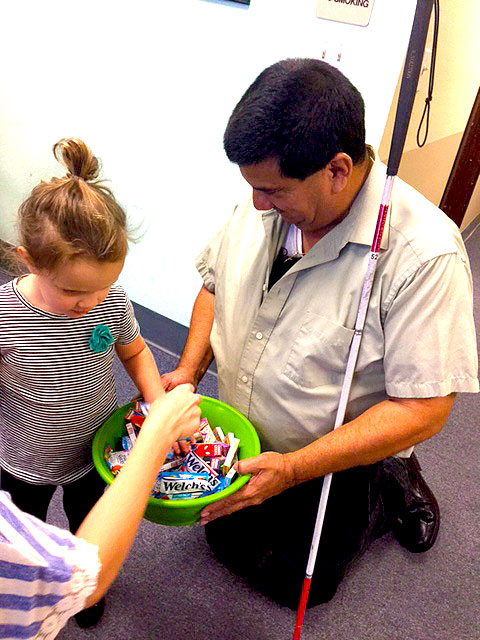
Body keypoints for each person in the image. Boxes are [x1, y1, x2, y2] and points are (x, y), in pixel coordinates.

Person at [162, 58, 479, 608]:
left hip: (326, 456)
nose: (258, 204)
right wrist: (189, 373)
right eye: (253, 188)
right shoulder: (267, 198)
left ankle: (390, 485)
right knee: (225, 540)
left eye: (274, 190)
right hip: (243, 434)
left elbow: (425, 408)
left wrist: (293, 468)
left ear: (336, 169)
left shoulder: (425, 255)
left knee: (304, 589)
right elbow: (215, 285)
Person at [0, 138, 165, 627]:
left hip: (94, 450)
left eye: (101, 288)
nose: (90, 302)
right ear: (30, 260)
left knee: (88, 529)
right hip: (22, 460)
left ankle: (84, 595)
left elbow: (135, 351)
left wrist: (157, 401)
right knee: (23, 547)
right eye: (74, 290)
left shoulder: (109, 300)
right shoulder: (8, 314)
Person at [0, 383, 201, 639]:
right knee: (28, 539)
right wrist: (158, 434)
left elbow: (134, 350)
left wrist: (159, 406)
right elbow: (80, 576)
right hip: (22, 465)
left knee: (86, 511)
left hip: (88, 458)